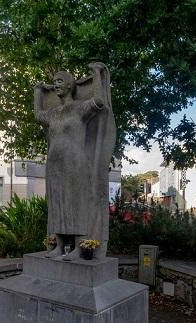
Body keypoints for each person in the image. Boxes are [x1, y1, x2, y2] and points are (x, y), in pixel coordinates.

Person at [34, 63, 115, 260]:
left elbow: (98, 102)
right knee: (58, 204)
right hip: (54, 165)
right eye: (54, 82)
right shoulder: (53, 114)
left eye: (60, 81)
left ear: (70, 85)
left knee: (77, 203)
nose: (56, 85)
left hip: (76, 164)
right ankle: (59, 246)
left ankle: (80, 247)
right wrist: (37, 91)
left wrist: (96, 74)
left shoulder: (79, 109)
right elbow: (38, 115)